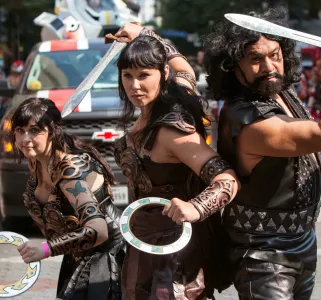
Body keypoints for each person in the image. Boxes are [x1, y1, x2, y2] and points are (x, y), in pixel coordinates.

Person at [203, 7, 321, 299]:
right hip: (263, 254)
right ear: (234, 67)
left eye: (274, 55)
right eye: (255, 59)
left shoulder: (277, 92)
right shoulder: (249, 119)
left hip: (302, 241)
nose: (269, 66)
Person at [109, 23, 239, 299]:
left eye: (144, 75)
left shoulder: (171, 131)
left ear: (162, 73)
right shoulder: (178, 93)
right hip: (139, 244)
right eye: (127, 75)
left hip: (173, 257)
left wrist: (195, 207)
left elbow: (226, 179)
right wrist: (147, 35)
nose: (135, 85)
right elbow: (185, 71)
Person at [9, 97, 125, 300]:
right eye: (20, 130)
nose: (25, 138)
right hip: (77, 255)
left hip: (109, 257)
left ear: (52, 131)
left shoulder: (70, 170)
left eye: (34, 130)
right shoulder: (37, 162)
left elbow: (99, 231)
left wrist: (45, 248)